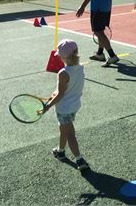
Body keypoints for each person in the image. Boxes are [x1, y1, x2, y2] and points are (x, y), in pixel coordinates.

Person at [42, 39, 90, 172]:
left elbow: (61, 94)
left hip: (63, 109)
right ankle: (60, 151)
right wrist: (55, 93)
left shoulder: (63, 73)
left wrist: (47, 106)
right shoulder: (80, 68)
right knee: (63, 129)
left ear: (64, 56)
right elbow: (64, 90)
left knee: (70, 134)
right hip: (74, 106)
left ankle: (80, 159)